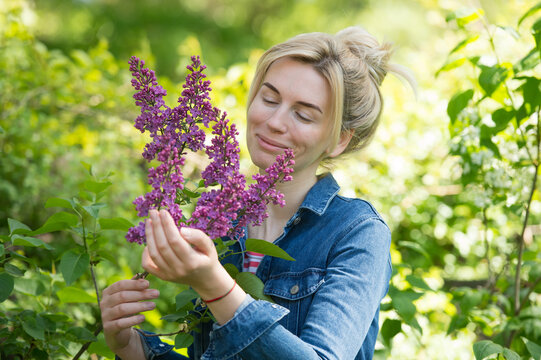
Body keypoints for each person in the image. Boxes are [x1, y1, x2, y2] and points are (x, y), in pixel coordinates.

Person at [100, 26, 414, 360]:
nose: (275, 121)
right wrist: (131, 347)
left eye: (303, 114)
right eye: (269, 99)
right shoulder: (218, 220)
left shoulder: (358, 234)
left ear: (339, 140)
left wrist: (216, 288)